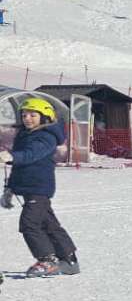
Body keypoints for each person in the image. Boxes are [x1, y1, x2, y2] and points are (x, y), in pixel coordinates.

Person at [3, 96, 78, 276]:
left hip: (38, 188)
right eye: (24, 115)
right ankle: (69, 260)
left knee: (29, 224)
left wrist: (12, 156)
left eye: (32, 115)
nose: (27, 119)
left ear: (45, 117)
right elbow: (20, 165)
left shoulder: (46, 137)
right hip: (28, 188)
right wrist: (9, 189)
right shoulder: (25, 135)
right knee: (49, 224)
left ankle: (47, 260)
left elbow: (31, 155)